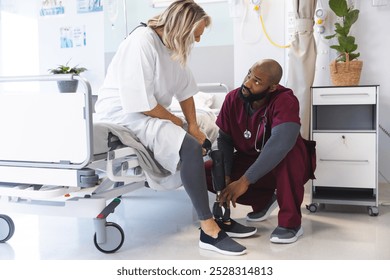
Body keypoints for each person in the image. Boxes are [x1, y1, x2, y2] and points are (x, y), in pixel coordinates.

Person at [94, 0, 256, 256]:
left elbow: (186, 91)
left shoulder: (172, 46)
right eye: (197, 35)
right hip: (125, 114)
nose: (198, 41)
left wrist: (194, 124)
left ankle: (221, 216)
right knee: (189, 147)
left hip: (147, 111)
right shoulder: (141, 43)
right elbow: (143, 104)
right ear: (182, 28)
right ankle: (208, 230)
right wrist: (182, 125)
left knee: (210, 139)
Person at [205, 59, 316, 244]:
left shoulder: (285, 100)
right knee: (207, 172)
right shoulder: (232, 98)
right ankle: (264, 200)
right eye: (249, 74)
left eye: (257, 81)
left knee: (290, 150)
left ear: (272, 88)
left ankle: (291, 224)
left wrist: (244, 181)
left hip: (286, 164)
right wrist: (224, 174)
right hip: (250, 161)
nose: (247, 83)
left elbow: (281, 143)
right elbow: (225, 139)